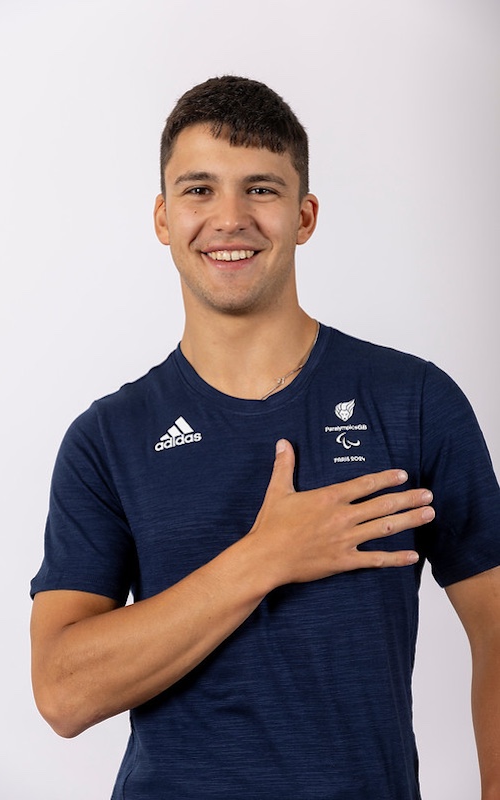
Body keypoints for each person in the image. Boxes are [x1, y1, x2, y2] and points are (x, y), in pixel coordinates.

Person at [30, 76, 500, 799]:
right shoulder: (107, 439)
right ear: (161, 217)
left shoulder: (413, 401)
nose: (229, 218)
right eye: (198, 190)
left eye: (261, 189)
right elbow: (63, 692)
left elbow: (496, 628)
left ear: (305, 215)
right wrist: (266, 558)